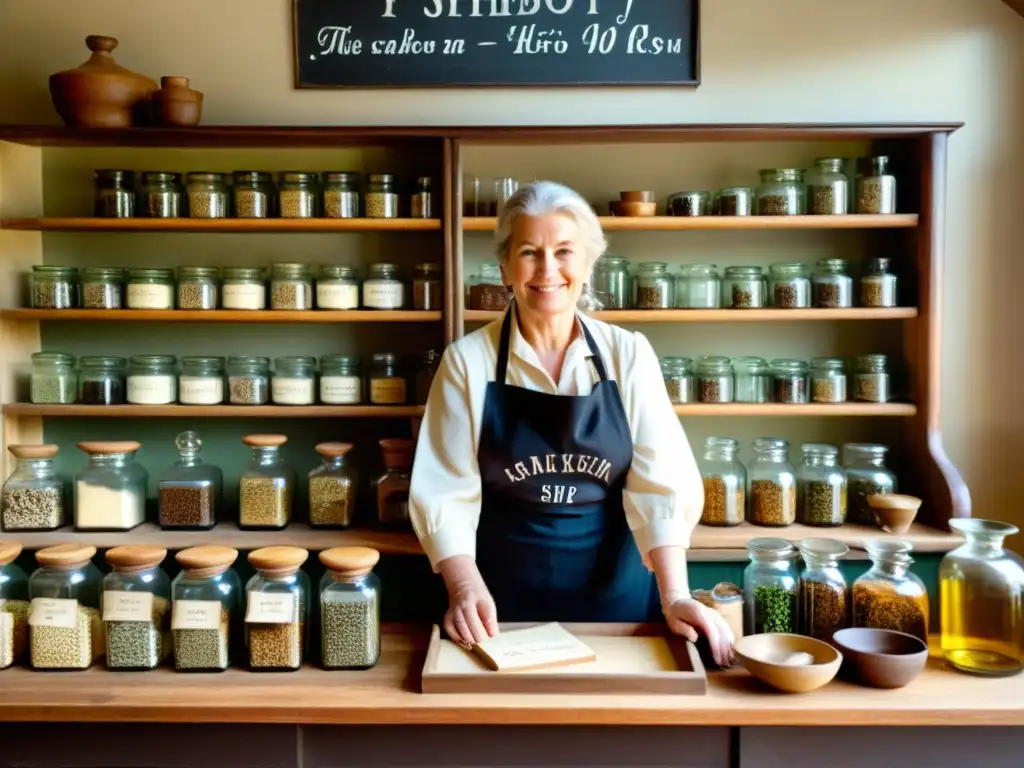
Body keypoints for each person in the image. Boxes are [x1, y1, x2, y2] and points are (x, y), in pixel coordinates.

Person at [408, 180, 734, 666]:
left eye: (564, 251)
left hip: (618, 605)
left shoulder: (628, 355)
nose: (547, 270)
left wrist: (676, 596)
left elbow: (659, 487)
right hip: (497, 611)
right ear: (504, 267)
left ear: (586, 267)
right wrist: (463, 586)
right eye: (529, 252)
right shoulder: (467, 363)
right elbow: (444, 493)